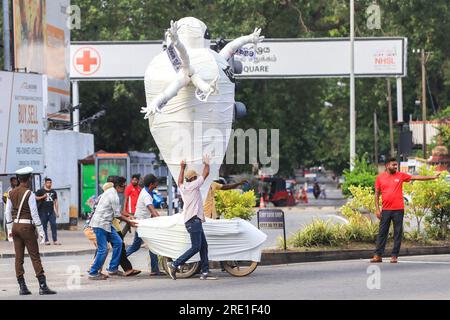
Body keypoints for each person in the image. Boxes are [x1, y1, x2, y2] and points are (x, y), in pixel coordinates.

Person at [370, 158, 441, 263]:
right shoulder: (380, 178)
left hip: (398, 209)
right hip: (386, 210)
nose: (395, 167)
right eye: (393, 165)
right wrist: (377, 209)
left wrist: (432, 177)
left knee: (398, 233)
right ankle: (378, 255)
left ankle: (394, 256)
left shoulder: (400, 175)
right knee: (382, 233)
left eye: (396, 165)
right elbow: (376, 194)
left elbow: (416, 177)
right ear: (387, 166)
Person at [5, 167, 56, 295]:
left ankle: (22, 287)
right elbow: (34, 213)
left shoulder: (11, 193)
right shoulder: (30, 193)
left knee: (18, 257)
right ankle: (43, 286)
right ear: (29, 179)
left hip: (15, 226)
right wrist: (41, 230)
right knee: (35, 256)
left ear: (18, 179)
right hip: (27, 227)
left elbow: (7, 213)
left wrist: (10, 229)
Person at [166, 156, 217, 280]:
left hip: (192, 220)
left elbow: (179, 181)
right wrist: (207, 163)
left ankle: (205, 272)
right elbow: (206, 173)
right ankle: (174, 264)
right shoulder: (194, 185)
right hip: (194, 221)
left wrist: (182, 168)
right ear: (193, 179)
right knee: (196, 247)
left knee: (203, 246)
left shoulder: (183, 187)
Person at [84, 180, 141, 277]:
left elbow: (117, 211)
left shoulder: (110, 192)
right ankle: (93, 272)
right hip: (100, 224)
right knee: (103, 249)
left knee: (118, 242)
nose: (124, 189)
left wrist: (128, 217)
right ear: (118, 186)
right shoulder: (113, 196)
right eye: (123, 187)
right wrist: (129, 222)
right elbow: (117, 214)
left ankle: (112, 268)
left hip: (107, 224)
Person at [126, 174, 164, 276]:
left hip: (143, 222)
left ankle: (155, 269)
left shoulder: (147, 191)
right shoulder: (146, 195)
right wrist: (162, 220)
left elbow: (151, 212)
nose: (157, 183)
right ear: (152, 184)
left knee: (143, 245)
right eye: (156, 182)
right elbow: (152, 210)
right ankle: (117, 261)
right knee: (138, 246)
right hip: (142, 223)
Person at [35, 178, 60, 245]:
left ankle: (55, 240)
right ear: (45, 183)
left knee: (53, 225)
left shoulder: (53, 192)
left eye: (50, 182)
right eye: (48, 183)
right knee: (44, 226)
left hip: (51, 211)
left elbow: (56, 202)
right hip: (43, 211)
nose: (49, 184)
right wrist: (43, 196)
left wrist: (57, 212)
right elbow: (35, 197)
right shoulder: (40, 191)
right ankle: (46, 240)